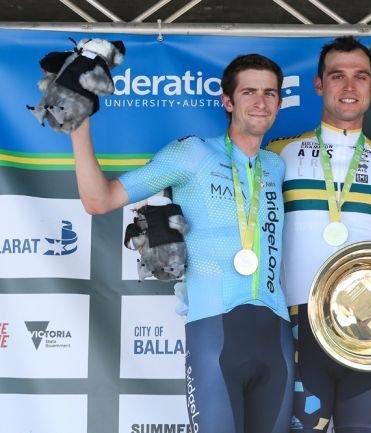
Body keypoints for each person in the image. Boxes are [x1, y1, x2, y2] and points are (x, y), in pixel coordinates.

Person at [69, 54, 293, 433]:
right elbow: (99, 200)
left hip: (278, 337)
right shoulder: (192, 154)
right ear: (228, 101)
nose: (261, 102)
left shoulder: (276, 166)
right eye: (249, 92)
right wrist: (78, 125)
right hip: (215, 333)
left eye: (270, 93)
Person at [266, 36, 371, 432]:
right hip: (296, 327)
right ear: (318, 85)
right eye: (337, 77)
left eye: (360, 77)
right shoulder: (279, 154)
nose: (349, 88)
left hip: (368, 333)